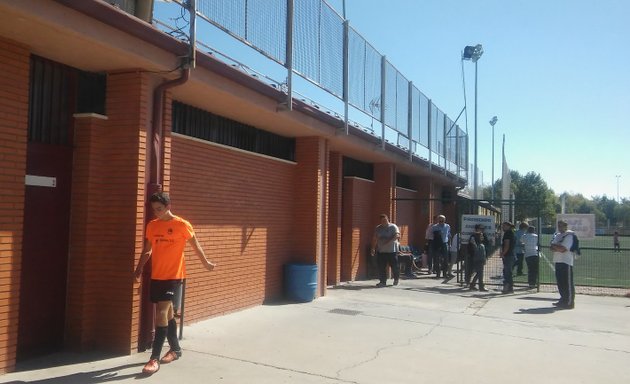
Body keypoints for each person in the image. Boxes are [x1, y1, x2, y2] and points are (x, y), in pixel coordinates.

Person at [134, 191, 216, 375]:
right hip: (157, 276)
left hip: (174, 276)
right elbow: (148, 250)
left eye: (160, 209)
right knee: (169, 315)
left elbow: (195, 244)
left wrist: (206, 262)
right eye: (154, 209)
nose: (157, 213)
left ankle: (154, 358)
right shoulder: (152, 226)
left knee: (161, 313)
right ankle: (176, 350)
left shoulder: (181, 225)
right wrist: (139, 268)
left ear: (168, 206)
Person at [550, 220, 576, 309]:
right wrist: (556, 247)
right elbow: (551, 247)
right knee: (560, 283)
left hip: (566, 261)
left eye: (562, 226)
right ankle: (563, 300)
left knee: (567, 283)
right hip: (558, 261)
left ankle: (569, 302)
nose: (560, 228)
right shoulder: (557, 235)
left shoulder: (569, 236)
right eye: (559, 226)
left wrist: (556, 247)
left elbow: (563, 249)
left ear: (566, 226)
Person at [371, 214, 401, 287]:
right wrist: (373, 248)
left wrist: (388, 241)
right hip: (381, 251)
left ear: (388, 219)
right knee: (381, 267)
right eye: (382, 220)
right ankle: (382, 281)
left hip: (392, 251)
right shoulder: (378, 228)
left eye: (385, 220)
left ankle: (396, 279)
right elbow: (375, 238)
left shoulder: (393, 226)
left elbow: (397, 236)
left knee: (394, 266)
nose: (384, 222)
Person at [467, 224, 489, 291]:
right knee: (480, 273)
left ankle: (472, 285)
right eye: (481, 236)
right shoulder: (478, 244)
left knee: (479, 272)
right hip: (478, 259)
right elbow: (476, 251)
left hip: (478, 259)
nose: (483, 237)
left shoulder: (480, 244)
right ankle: (480, 286)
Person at [500, 221, 516, 294]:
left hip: (508, 255)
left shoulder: (507, 234)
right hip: (511, 255)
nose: (502, 227)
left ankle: (507, 288)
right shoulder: (512, 233)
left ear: (508, 226)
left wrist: (503, 253)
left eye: (504, 226)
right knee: (508, 272)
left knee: (507, 273)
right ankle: (509, 288)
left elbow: (507, 245)